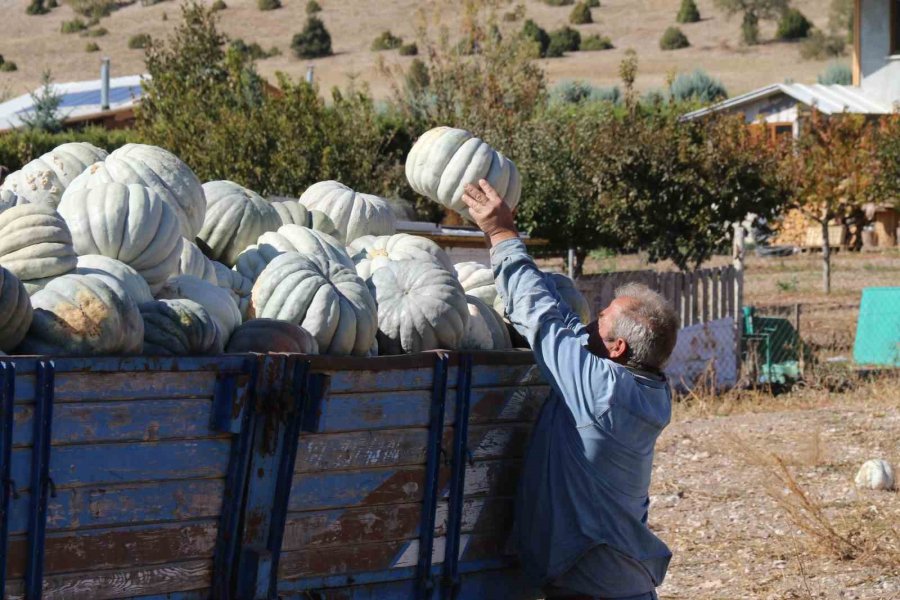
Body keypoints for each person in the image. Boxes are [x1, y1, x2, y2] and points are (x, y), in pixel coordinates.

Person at [461, 180, 680, 600]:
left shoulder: (602, 391)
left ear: (617, 348)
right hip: (621, 582)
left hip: (594, 589)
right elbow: (566, 331)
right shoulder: (651, 390)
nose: (593, 319)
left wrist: (501, 233)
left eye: (603, 318)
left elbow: (542, 321)